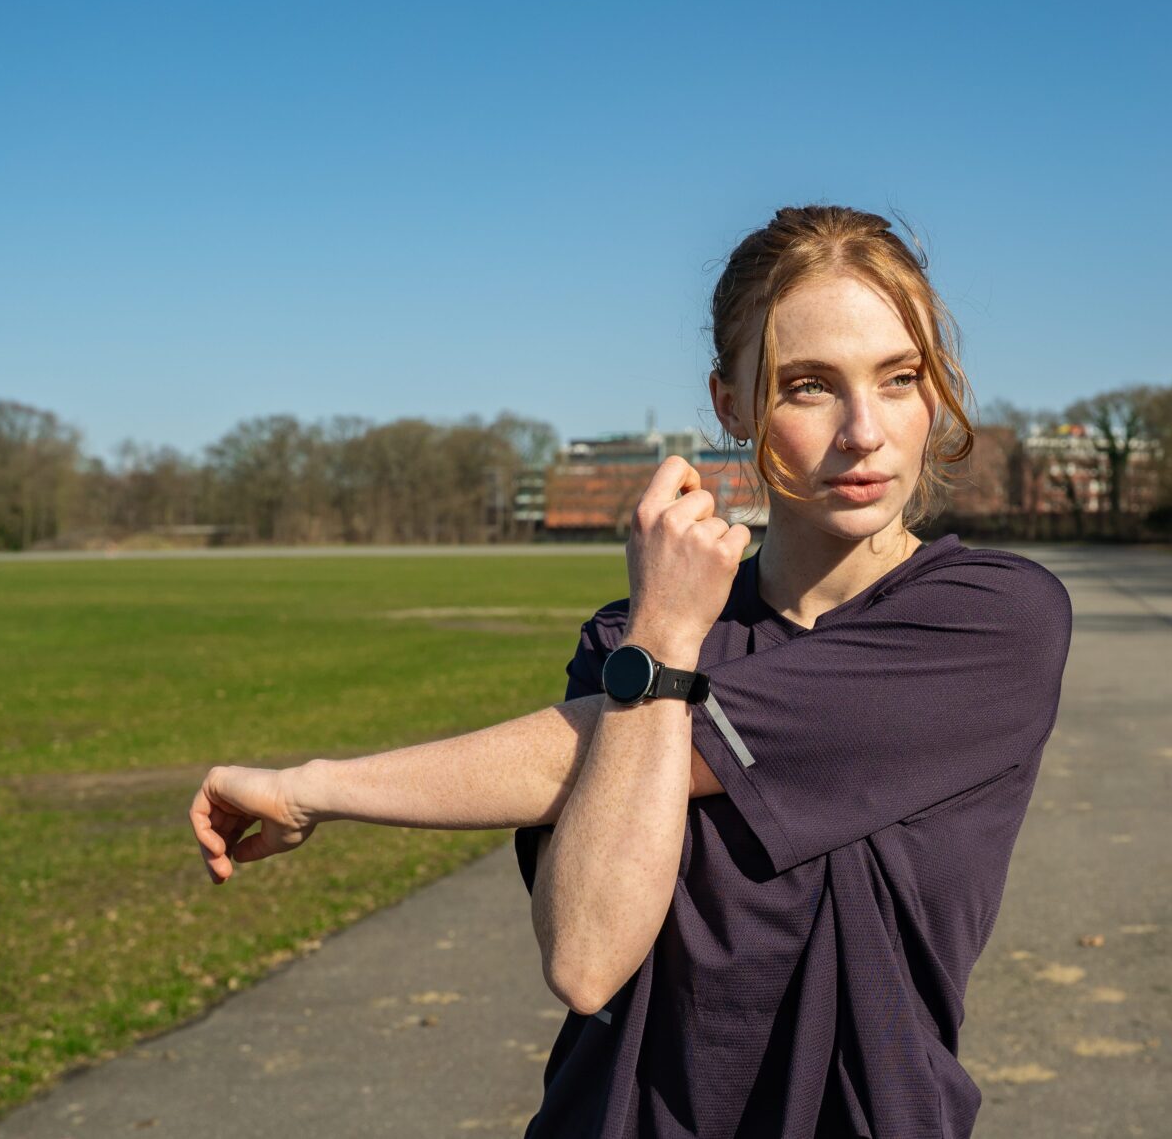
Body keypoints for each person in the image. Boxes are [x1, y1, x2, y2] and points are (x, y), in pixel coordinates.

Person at [187, 204, 1074, 1139]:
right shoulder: (633, 642)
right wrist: (662, 629)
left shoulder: (988, 621)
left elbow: (615, 751)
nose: (865, 430)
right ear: (730, 402)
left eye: (900, 378)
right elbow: (585, 958)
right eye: (808, 386)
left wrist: (314, 787)